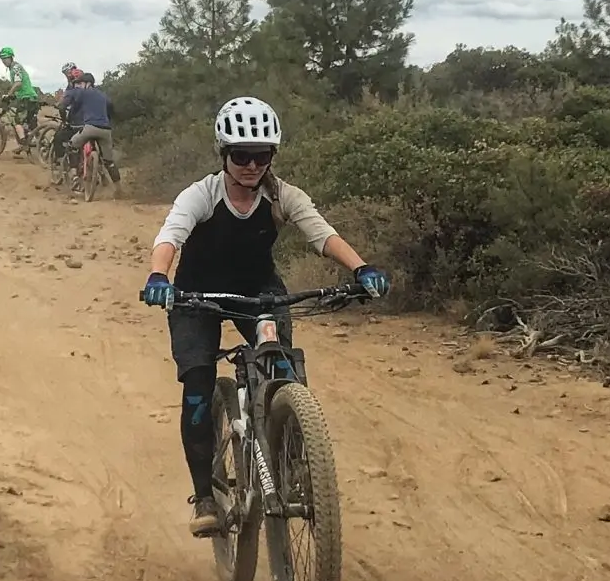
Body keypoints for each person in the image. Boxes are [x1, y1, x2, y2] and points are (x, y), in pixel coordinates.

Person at [139, 97, 388, 536]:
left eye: (262, 155)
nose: (252, 165)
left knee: (282, 365)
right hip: (196, 294)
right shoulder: (202, 195)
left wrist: (361, 268)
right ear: (224, 153)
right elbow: (170, 236)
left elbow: (323, 235)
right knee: (197, 385)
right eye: (242, 155)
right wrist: (159, 275)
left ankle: (293, 458)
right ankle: (204, 497)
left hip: (258, 291)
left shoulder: (283, 195)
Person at [61, 70, 121, 189]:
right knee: (109, 162)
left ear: (88, 83)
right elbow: (112, 109)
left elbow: (70, 107)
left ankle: (74, 175)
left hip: (90, 128)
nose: (80, 85)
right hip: (106, 130)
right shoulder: (103, 95)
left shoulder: (83, 93)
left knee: (72, 146)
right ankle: (118, 188)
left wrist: (67, 120)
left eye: (81, 83)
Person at [0, 46, 43, 142]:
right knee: (30, 123)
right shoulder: (13, 68)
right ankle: (37, 141)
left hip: (27, 98)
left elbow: (18, 83)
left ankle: (23, 142)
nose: (3, 61)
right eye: (2, 59)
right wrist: (14, 96)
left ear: (11, 57)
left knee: (17, 121)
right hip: (29, 97)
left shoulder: (15, 67)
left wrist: (9, 95)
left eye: (5, 58)